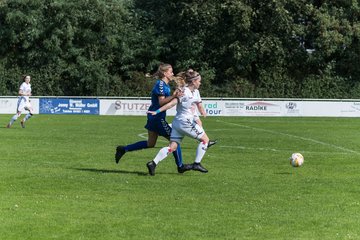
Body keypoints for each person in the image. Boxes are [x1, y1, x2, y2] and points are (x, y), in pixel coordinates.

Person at [115, 63, 192, 173]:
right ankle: (180, 166)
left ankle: (123, 149)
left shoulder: (164, 85)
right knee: (174, 140)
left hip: (154, 117)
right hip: (157, 118)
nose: (173, 73)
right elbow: (161, 102)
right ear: (165, 73)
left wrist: (174, 95)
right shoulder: (160, 84)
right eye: (171, 71)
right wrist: (174, 96)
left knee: (150, 143)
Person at [146, 69, 211, 176]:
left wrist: (202, 111)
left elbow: (198, 104)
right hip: (185, 122)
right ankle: (196, 163)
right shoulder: (183, 92)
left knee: (172, 147)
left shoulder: (195, 92)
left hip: (177, 123)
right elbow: (171, 104)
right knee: (205, 140)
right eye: (199, 81)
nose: (200, 83)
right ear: (194, 81)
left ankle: (153, 163)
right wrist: (157, 111)